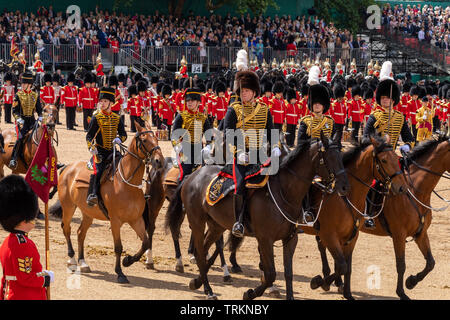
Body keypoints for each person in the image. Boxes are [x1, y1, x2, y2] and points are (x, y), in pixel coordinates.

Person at [223, 51, 279, 237]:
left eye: (247, 90)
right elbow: (228, 133)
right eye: (242, 90)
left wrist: (276, 146)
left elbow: (271, 131)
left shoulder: (264, 109)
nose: (244, 93)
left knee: (280, 178)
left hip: (260, 153)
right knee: (240, 185)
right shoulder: (234, 110)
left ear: (254, 92)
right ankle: (239, 221)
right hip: (241, 155)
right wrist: (238, 151)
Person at [363, 61, 415, 229]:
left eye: (388, 98)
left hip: (392, 155)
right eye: (383, 98)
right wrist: (378, 141)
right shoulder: (374, 116)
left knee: (410, 175)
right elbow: (365, 138)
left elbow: (408, 137)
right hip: (377, 157)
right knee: (374, 183)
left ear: (393, 99)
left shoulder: (400, 117)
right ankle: (369, 214)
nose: (386, 100)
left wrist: (407, 145)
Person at [0, 175, 55, 300]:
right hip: (24, 295)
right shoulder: (22, 244)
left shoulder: (7, 241)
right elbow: (25, 277)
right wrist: (45, 279)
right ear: (23, 219)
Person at [296, 66, 334, 224]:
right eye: (315, 104)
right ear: (311, 105)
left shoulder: (329, 122)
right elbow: (301, 143)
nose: (317, 106)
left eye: (320, 104)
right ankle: (305, 211)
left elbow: (332, 140)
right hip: (310, 159)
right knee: (305, 183)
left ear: (324, 105)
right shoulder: (305, 121)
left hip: (326, 158)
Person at [86, 87, 127, 207]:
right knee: (98, 171)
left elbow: (123, 134)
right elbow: (89, 137)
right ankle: (93, 194)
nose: (102, 104)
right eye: (101, 101)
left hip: (114, 152)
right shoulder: (96, 118)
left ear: (111, 103)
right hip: (100, 153)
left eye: (105, 101)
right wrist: (91, 147)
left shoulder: (117, 118)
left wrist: (119, 139)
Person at [172, 87, 212, 182]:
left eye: (192, 100)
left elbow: (209, 136)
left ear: (198, 102)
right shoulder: (181, 116)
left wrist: (209, 147)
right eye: (188, 100)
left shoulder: (203, 118)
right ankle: (177, 196)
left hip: (199, 151)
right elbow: (174, 136)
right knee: (184, 175)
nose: (189, 102)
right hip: (184, 152)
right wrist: (178, 148)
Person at [9, 72, 43, 169]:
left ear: (29, 85)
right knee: (20, 138)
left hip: (32, 121)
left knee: (43, 136)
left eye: (24, 83)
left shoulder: (35, 95)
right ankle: (13, 158)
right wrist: (19, 119)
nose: (22, 85)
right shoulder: (18, 95)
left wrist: (40, 116)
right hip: (22, 122)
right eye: (22, 83)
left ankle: (47, 158)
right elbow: (14, 111)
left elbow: (39, 110)